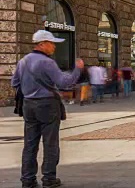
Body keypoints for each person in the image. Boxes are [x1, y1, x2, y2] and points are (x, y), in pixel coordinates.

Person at [11, 30, 85, 188]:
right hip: (47, 105)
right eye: (51, 43)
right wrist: (77, 69)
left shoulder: (23, 61)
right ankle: (49, 178)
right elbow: (63, 83)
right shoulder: (48, 62)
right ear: (41, 44)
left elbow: (14, 83)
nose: (54, 47)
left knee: (30, 144)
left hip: (29, 105)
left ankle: (27, 180)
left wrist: (30, 89)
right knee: (50, 142)